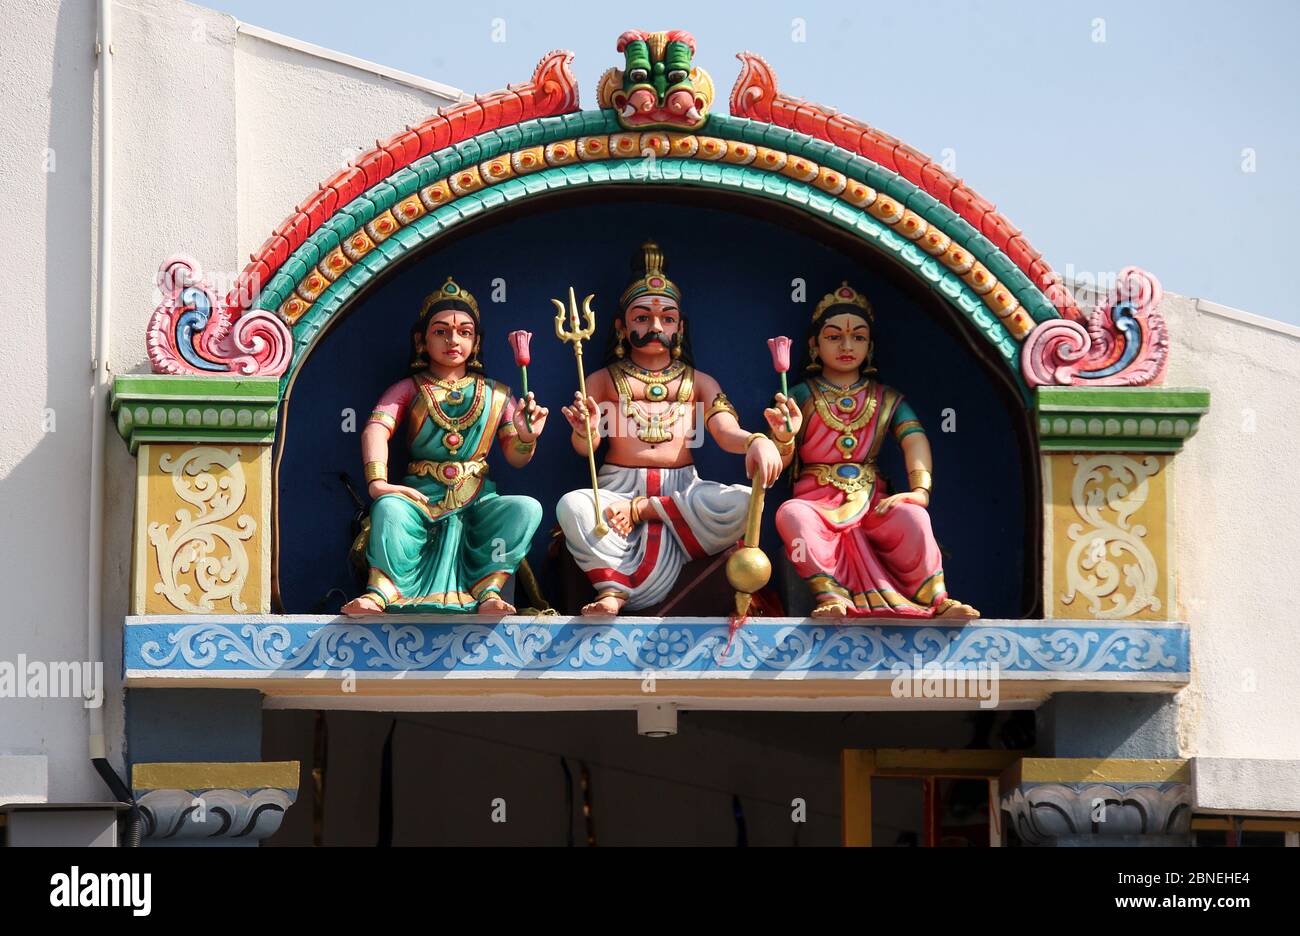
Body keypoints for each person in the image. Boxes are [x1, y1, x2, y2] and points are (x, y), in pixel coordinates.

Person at [556, 242, 783, 615]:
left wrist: (757, 440)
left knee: (745, 502)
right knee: (574, 506)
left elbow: (726, 431)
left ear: (680, 327)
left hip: (683, 491)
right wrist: (586, 429)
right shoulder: (600, 379)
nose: (655, 327)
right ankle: (612, 589)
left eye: (667, 319)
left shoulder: (700, 382)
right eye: (642, 318)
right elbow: (587, 449)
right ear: (621, 326)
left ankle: (647, 510)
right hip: (615, 488)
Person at [766, 282, 979, 619]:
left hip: (872, 503)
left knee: (913, 517)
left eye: (858, 337)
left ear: (870, 346)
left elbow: (914, 439)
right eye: (834, 337)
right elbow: (781, 462)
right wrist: (783, 437)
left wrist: (920, 491)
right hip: (816, 499)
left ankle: (937, 598)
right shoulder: (801, 395)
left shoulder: (886, 398)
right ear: (813, 345)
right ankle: (831, 595)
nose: (847, 345)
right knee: (791, 515)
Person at [340, 276, 546, 615]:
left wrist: (526, 437)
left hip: (477, 499)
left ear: (476, 342)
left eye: (464, 332)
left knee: (526, 508)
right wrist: (379, 485)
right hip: (420, 497)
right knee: (389, 509)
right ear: (421, 340)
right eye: (441, 331)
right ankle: (381, 592)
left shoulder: (498, 394)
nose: (453, 340)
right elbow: (375, 429)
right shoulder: (410, 388)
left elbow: (516, 458)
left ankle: (489, 592)